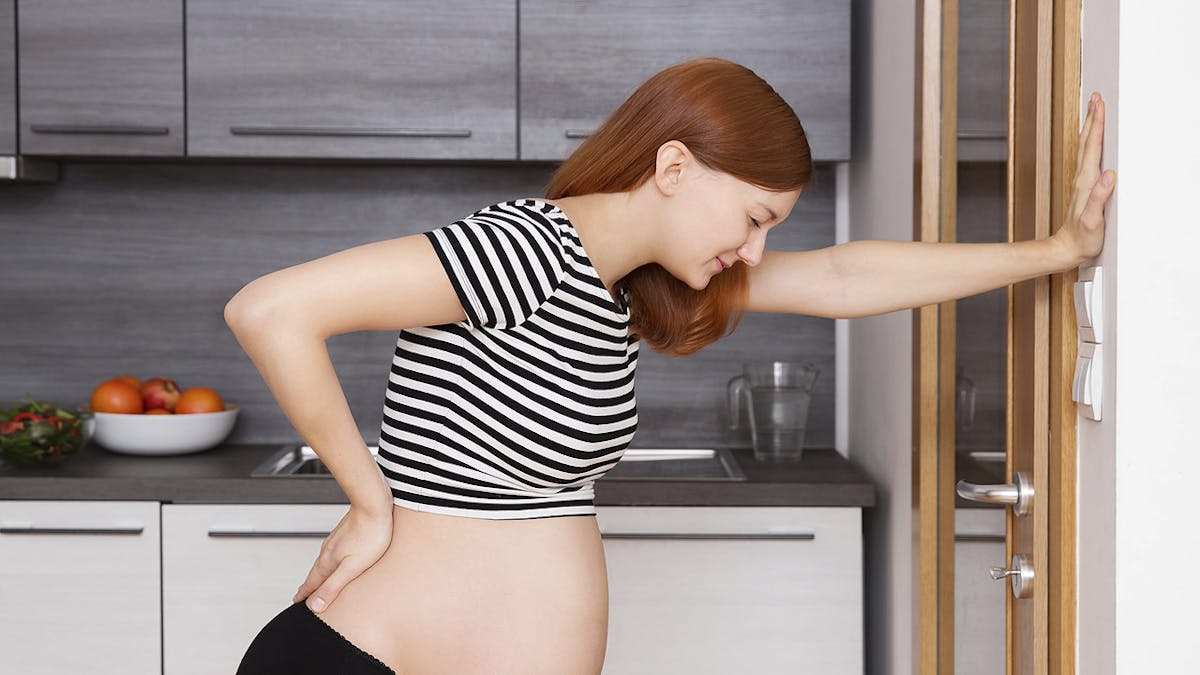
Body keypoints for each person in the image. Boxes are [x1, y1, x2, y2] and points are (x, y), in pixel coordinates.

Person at [226, 57, 1114, 674]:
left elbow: (844, 275)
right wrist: (369, 501)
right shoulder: (527, 250)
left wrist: (1053, 249)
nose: (757, 251)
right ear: (676, 166)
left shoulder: (617, 285)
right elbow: (271, 310)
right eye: (756, 217)